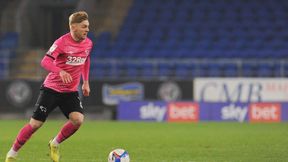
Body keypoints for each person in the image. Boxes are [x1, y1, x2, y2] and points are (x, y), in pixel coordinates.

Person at [5, 11, 93, 162]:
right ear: (73, 27)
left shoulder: (88, 43)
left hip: (70, 91)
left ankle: (55, 143)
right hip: (52, 89)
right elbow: (45, 61)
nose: (87, 29)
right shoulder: (61, 43)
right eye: (84, 26)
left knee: (77, 120)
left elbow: (86, 60)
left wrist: (85, 82)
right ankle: (12, 154)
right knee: (35, 124)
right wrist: (60, 71)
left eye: (88, 27)